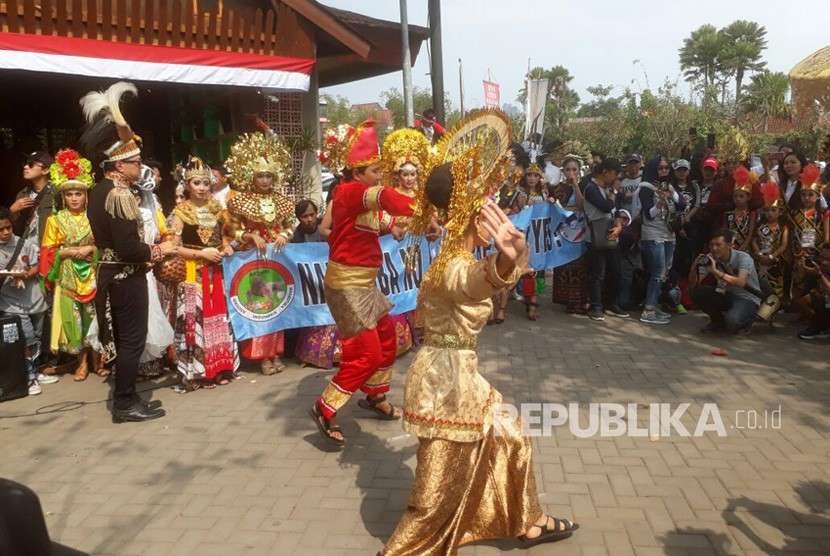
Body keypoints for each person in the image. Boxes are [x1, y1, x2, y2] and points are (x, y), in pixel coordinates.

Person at [383, 113, 578, 553]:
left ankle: (528, 521)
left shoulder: (453, 254)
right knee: (433, 490)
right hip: (445, 382)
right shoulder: (454, 264)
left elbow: (481, 279)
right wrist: (508, 260)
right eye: (486, 208)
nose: (496, 214)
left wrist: (508, 261)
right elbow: (475, 282)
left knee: (510, 436)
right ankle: (404, 548)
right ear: (475, 217)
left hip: (456, 372)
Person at [309, 119, 416, 446]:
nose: (380, 174)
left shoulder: (363, 197)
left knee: (386, 339)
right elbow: (390, 200)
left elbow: (391, 222)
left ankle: (374, 395)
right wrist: (423, 200)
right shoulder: (351, 191)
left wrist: (403, 227)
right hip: (346, 285)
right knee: (364, 354)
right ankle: (325, 406)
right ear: (358, 173)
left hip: (365, 283)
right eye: (374, 170)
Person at [81, 81, 173, 422]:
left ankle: (129, 396)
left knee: (126, 341)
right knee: (132, 341)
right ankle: (124, 404)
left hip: (114, 276)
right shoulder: (118, 195)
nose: (139, 167)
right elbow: (129, 248)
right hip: (125, 276)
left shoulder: (100, 191)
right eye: (134, 162)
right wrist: (160, 248)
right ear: (118, 166)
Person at [224, 132, 296, 375]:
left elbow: (290, 224)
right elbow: (231, 229)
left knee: (276, 304)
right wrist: (250, 236)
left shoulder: (282, 201)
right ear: (250, 176)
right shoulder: (240, 201)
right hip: (251, 263)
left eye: (268, 175)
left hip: (276, 261)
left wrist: (284, 235)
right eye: (260, 175)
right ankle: (261, 356)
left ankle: (275, 352)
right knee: (257, 306)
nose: (264, 180)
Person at [166, 157, 238, 389]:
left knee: (217, 320)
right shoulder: (180, 212)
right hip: (191, 273)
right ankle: (194, 372)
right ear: (187, 185)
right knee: (193, 321)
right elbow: (174, 247)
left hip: (216, 273)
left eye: (206, 183)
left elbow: (229, 236)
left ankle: (219, 367)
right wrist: (202, 254)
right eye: (196, 183)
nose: (202, 188)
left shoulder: (219, 210)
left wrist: (226, 247)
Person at [39, 149, 99, 381]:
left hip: (92, 272)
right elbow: (48, 251)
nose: (74, 198)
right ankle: (82, 363)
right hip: (67, 274)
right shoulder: (55, 220)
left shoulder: (94, 216)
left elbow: (103, 244)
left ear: (86, 195)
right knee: (74, 319)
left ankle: (97, 360)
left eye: (79, 193)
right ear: (63, 197)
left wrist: (92, 250)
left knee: (94, 317)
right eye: (70, 194)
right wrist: (68, 251)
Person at [0, 207, 55, 396]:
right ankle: (29, 377)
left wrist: (26, 274)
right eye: (1, 230)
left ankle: (37, 370)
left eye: (8, 227)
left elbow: (37, 264)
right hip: (10, 303)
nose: (6, 232)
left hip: (34, 299)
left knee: (38, 337)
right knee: (26, 338)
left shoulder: (24, 244)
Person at [638, 156, 685, 325]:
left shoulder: (669, 185)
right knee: (657, 273)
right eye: (660, 168)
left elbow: (682, 205)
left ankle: (654, 304)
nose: (664, 171)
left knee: (663, 273)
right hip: (653, 235)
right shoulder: (646, 187)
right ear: (653, 169)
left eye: (666, 168)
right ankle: (648, 310)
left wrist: (671, 193)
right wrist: (660, 203)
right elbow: (648, 215)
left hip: (669, 235)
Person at [689, 229, 761, 334]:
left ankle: (748, 319)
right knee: (696, 292)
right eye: (711, 245)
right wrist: (694, 266)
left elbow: (741, 282)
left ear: (729, 245)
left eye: (718, 245)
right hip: (726, 294)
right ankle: (717, 321)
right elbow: (693, 284)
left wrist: (716, 272)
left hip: (747, 298)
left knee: (732, 322)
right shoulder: (710, 258)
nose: (714, 248)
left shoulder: (743, 258)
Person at [584, 158, 630, 321]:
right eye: (615, 175)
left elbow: (616, 211)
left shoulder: (610, 189)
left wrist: (619, 226)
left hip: (611, 232)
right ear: (606, 172)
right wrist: (614, 194)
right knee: (597, 273)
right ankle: (596, 306)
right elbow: (605, 206)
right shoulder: (591, 188)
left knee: (616, 271)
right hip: (595, 235)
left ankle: (612, 302)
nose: (616, 179)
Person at [550, 155, 589, 314]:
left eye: (574, 169)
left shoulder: (584, 186)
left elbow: (582, 205)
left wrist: (575, 187)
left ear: (579, 171)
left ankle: (577, 301)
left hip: (580, 231)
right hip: (564, 232)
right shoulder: (558, 189)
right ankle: (565, 299)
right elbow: (556, 208)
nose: (571, 172)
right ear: (563, 172)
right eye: (568, 170)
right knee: (565, 264)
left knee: (579, 265)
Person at [789, 165, 828, 318]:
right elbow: (792, 233)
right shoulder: (795, 213)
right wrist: (796, 252)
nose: (806, 198)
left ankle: (815, 317)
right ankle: (804, 313)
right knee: (797, 287)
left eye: (810, 194)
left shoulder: (822, 214)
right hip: (798, 254)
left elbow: (826, 237)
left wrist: (817, 253)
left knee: (812, 285)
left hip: (815, 256)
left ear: (817, 195)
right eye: (803, 194)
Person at [751, 186, 789, 322]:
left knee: (775, 288)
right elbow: (754, 240)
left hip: (775, 263)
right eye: (767, 210)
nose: (770, 213)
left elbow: (784, 245)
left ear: (780, 211)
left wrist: (773, 256)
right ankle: (759, 309)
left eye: (773, 210)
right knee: (759, 284)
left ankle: (769, 312)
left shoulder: (783, 227)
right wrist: (758, 253)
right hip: (760, 260)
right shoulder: (760, 225)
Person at [671, 158, 701, 309]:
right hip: (675, 227)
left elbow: (697, 204)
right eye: (679, 170)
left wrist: (687, 218)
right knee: (675, 261)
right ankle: (675, 296)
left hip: (691, 227)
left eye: (684, 170)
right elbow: (672, 206)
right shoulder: (671, 187)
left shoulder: (694, 185)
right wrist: (679, 224)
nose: (682, 173)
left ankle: (688, 295)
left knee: (690, 261)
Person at [10, 151, 56, 245]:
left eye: (31, 164)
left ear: (45, 170)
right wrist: (12, 211)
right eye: (25, 164)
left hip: (49, 248)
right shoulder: (22, 194)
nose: (25, 167)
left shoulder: (57, 192)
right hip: (28, 250)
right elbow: (17, 231)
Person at [520, 162, 547, 320]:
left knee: (540, 271)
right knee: (529, 270)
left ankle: (535, 299)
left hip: (541, 236)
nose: (532, 178)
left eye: (535, 175)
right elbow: (520, 213)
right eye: (529, 175)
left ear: (539, 177)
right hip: (527, 235)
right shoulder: (521, 193)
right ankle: (531, 302)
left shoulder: (544, 193)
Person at [796, 246, 830, 340]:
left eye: (828, 259)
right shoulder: (821, 268)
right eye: (822, 258)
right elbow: (804, 272)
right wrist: (801, 262)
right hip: (826, 303)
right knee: (804, 300)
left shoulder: (821, 271)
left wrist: (821, 275)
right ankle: (820, 325)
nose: (823, 262)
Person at [723, 167, 756, 253]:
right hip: (730, 249)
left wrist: (743, 248)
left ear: (748, 197)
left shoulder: (751, 214)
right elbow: (725, 232)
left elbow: (750, 234)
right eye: (735, 196)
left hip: (746, 250)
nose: (738, 199)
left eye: (741, 196)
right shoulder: (728, 214)